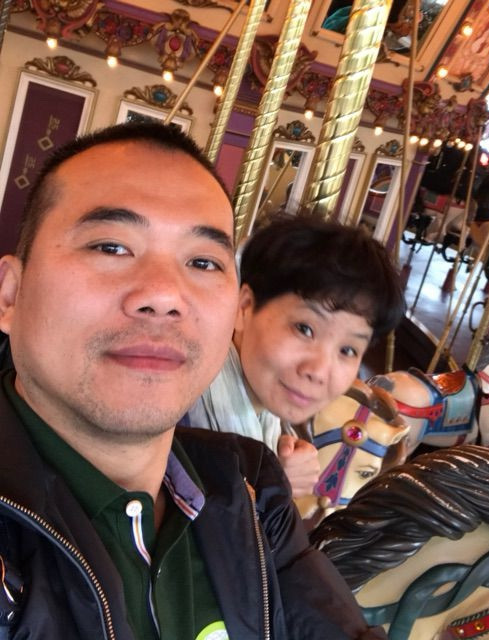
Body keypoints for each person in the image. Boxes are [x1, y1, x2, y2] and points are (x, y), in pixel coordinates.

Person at [0, 121, 386, 639]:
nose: (164, 294)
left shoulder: (249, 488)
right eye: (110, 247)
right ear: (10, 293)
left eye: (203, 262)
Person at [183, 215, 406, 497]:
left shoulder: (271, 429)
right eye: (304, 329)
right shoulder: (175, 413)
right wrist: (268, 488)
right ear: (244, 307)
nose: (319, 370)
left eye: (347, 350)